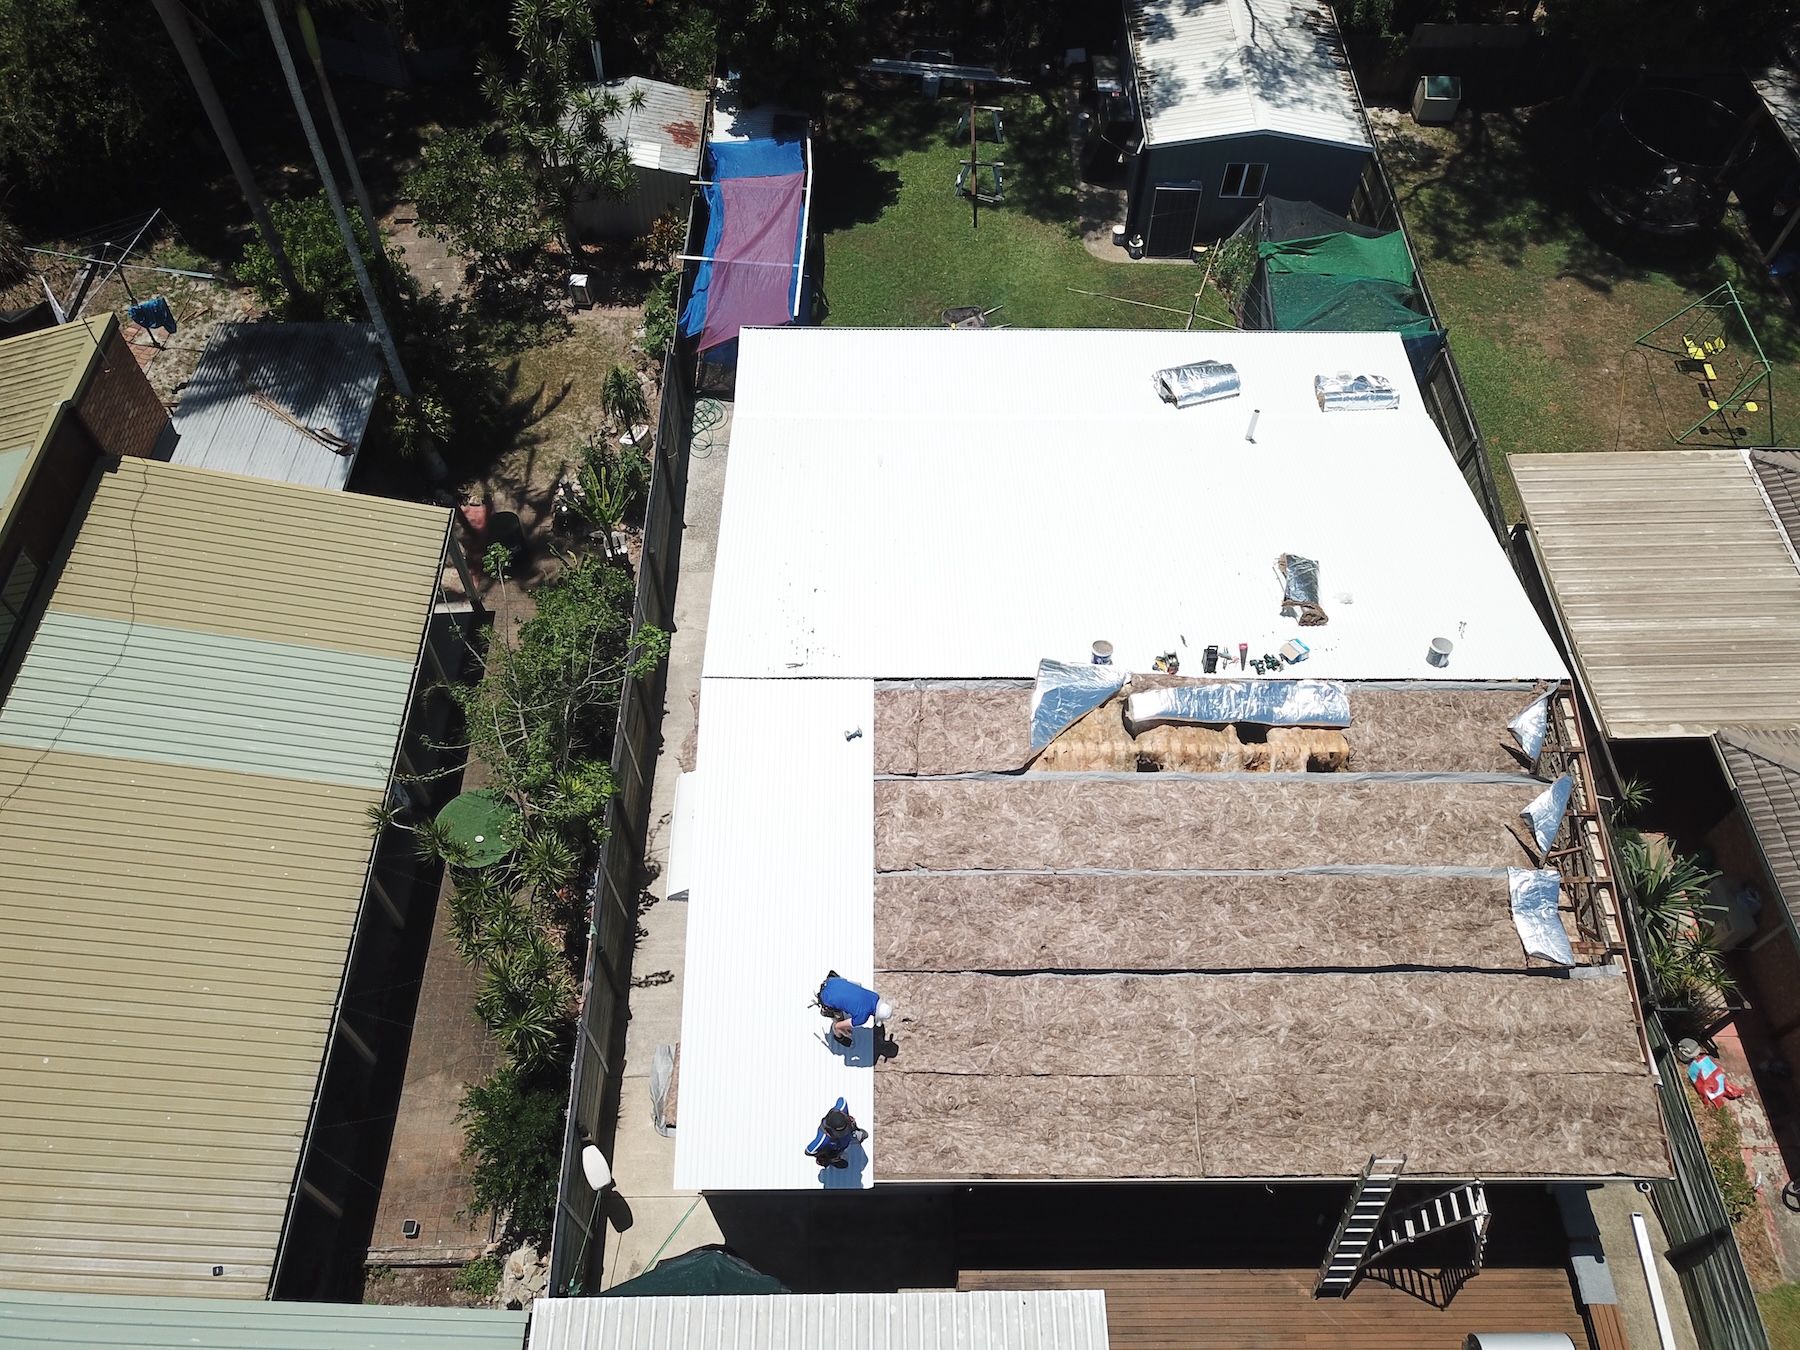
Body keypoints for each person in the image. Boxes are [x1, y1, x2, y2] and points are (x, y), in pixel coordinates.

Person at [816, 970, 893, 1047]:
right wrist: (845, 1030)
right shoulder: (862, 1018)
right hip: (825, 997)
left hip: (831, 981)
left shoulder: (875, 996)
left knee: (856, 987)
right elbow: (838, 1025)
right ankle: (838, 1037)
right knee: (838, 1025)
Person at [803, 1097, 867, 1170]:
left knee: (851, 1127)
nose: (844, 1132)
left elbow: (842, 1099)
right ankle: (834, 1159)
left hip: (848, 1132)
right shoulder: (823, 1139)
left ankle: (854, 1133)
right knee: (832, 1155)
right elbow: (809, 1151)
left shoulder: (842, 1108)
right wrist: (824, 1154)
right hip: (836, 1147)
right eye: (841, 1132)